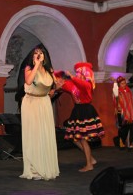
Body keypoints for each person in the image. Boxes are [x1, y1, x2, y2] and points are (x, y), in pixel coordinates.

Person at [19, 45, 59, 181]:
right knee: (34, 135)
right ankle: (34, 169)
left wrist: (52, 91)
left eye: (40, 53)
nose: (38, 54)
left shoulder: (49, 70)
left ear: (44, 56)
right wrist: (36, 65)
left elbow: (57, 85)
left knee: (45, 134)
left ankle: (46, 165)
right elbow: (29, 81)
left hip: (44, 103)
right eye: (35, 53)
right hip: (31, 103)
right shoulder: (29, 68)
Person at [55, 67, 103, 172]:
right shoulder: (73, 84)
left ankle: (89, 165)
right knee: (74, 137)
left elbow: (81, 84)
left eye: (79, 73)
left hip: (85, 111)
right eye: (76, 73)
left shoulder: (87, 84)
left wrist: (71, 77)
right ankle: (90, 159)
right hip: (77, 111)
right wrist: (58, 84)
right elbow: (63, 84)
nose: (77, 74)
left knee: (82, 138)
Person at [112, 76, 133, 150]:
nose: (124, 84)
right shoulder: (118, 92)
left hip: (131, 115)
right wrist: (115, 83)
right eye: (122, 83)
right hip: (122, 115)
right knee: (123, 131)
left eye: (125, 83)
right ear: (119, 84)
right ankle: (120, 143)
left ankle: (131, 144)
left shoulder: (129, 91)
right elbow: (115, 93)